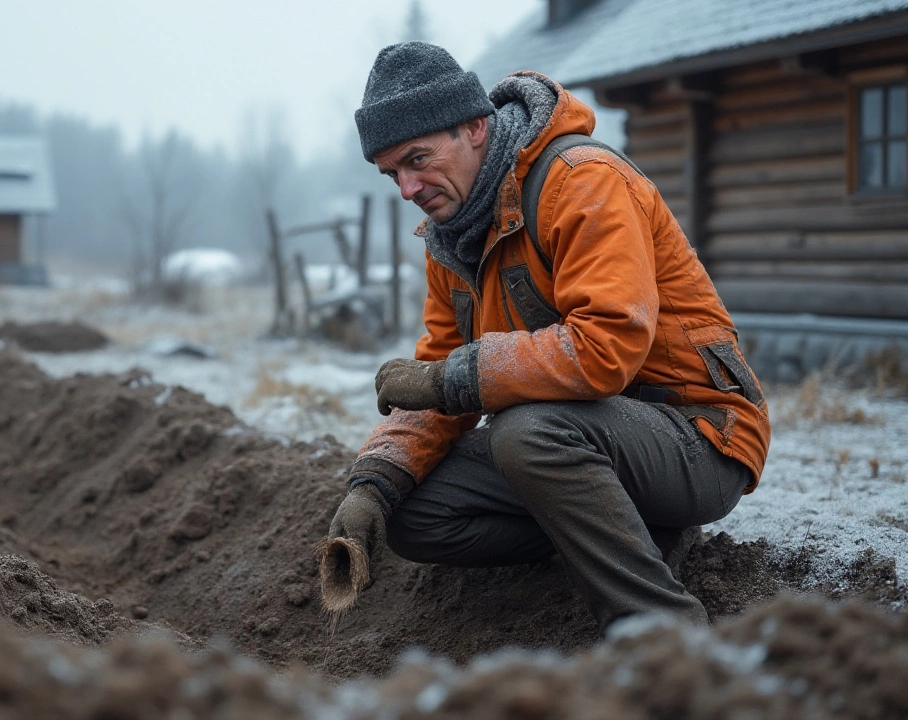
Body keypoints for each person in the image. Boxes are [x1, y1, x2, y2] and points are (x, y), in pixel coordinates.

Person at [325, 42, 770, 630]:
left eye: (418, 159)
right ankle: (627, 538)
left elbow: (604, 348)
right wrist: (374, 484)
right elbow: (436, 373)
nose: (408, 188)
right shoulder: (451, 236)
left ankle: (661, 629)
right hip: (585, 442)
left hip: (696, 436)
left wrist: (452, 377)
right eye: (392, 174)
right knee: (415, 514)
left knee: (527, 432)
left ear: (475, 126)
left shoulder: (583, 181)